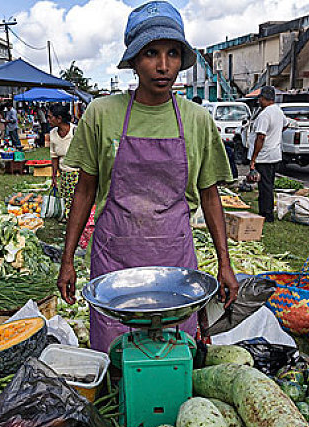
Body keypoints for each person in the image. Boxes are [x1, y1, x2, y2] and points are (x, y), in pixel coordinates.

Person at [57, 1, 239, 353]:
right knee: (116, 359)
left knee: (172, 357)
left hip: (175, 264)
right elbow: (84, 192)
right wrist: (67, 261)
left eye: (173, 53)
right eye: (151, 53)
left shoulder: (197, 120)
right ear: (134, 61)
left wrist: (224, 264)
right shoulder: (102, 114)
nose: (163, 66)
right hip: (114, 262)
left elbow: (210, 195)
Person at [248, 85, 286, 221]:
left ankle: (266, 214)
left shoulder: (265, 114)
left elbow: (261, 137)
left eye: (260, 99)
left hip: (264, 156)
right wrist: (275, 135)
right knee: (268, 184)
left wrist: (253, 158)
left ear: (264, 99)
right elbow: (286, 124)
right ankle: (266, 210)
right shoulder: (278, 111)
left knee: (265, 186)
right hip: (274, 153)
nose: (259, 101)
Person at [48, 104, 77, 221]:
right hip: (64, 174)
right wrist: (54, 177)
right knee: (66, 198)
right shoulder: (53, 133)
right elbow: (54, 157)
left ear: (59, 119)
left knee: (75, 201)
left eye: (50, 117)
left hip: (78, 173)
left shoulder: (76, 131)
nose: (48, 120)